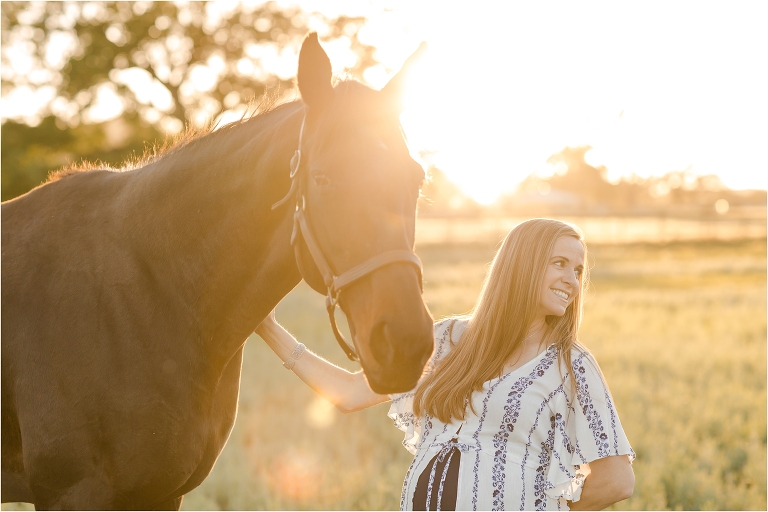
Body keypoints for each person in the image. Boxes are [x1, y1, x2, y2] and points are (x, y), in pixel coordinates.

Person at [255, 218, 635, 511]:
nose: (572, 280)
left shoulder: (573, 366)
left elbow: (617, 480)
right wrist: (268, 328)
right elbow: (351, 393)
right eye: (560, 264)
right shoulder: (447, 339)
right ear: (523, 265)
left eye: (579, 270)